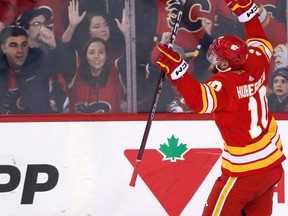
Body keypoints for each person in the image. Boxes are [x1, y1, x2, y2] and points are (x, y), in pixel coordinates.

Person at [155, 0, 286, 215]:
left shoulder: (224, 85)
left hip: (245, 172)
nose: (214, 58)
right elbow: (259, 38)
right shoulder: (257, 61)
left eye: (217, 56)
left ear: (225, 64)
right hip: (272, 165)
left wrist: (176, 70)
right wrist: (248, 13)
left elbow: (199, 101)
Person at [0, 26, 74, 114]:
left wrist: (54, 46)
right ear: (4, 49)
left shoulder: (37, 57)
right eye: (13, 45)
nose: (20, 50)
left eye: (24, 44)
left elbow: (67, 66)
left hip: (38, 122)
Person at [17, 6, 75, 112]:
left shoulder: (52, 48)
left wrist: (54, 46)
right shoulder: (18, 54)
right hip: (25, 117)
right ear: (26, 30)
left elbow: (68, 69)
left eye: (44, 24)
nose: (42, 28)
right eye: (37, 24)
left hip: (53, 116)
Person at [69, 38, 124, 113]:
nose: (96, 56)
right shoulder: (76, 75)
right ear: (85, 56)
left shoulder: (116, 74)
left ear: (106, 56)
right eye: (92, 52)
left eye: (101, 52)